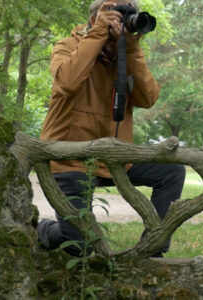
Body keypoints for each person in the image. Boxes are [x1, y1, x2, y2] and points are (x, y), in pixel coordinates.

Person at [37, 0, 185, 257]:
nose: (120, 22)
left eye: (126, 17)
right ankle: (41, 230)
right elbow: (68, 83)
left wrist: (130, 50)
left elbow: (148, 98)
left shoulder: (122, 54)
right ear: (95, 18)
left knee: (171, 171)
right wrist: (96, 35)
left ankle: (154, 249)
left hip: (113, 156)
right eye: (113, 15)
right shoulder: (67, 46)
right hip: (70, 158)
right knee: (78, 247)